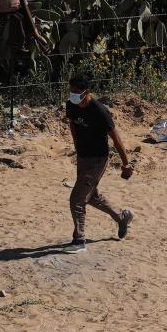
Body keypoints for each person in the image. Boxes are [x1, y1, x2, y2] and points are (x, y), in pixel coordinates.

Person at [60, 73, 134, 251]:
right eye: (71, 91)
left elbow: (116, 139)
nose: (73, 95)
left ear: (87, 92)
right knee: (91, 196)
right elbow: (72, 124)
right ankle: (122, 217)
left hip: (97, 159)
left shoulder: (99, 111)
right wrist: (77, 147)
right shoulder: (71, 105)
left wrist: (126, 164)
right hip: (83, 157)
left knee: (77, 199)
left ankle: (79, 240)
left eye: (77, 92)